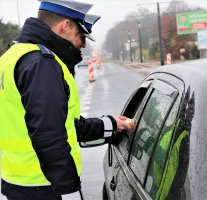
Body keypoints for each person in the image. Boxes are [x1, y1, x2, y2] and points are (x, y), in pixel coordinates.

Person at [0, 0, 132, 199]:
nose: (83, 44)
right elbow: (49, 136)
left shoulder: (11, 57)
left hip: (16, 183)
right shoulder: (42, 63)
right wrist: (68, 190)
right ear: (66, 25)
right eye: (82, 36)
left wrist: (109, 124)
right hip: (46, 187)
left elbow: (62, 126)